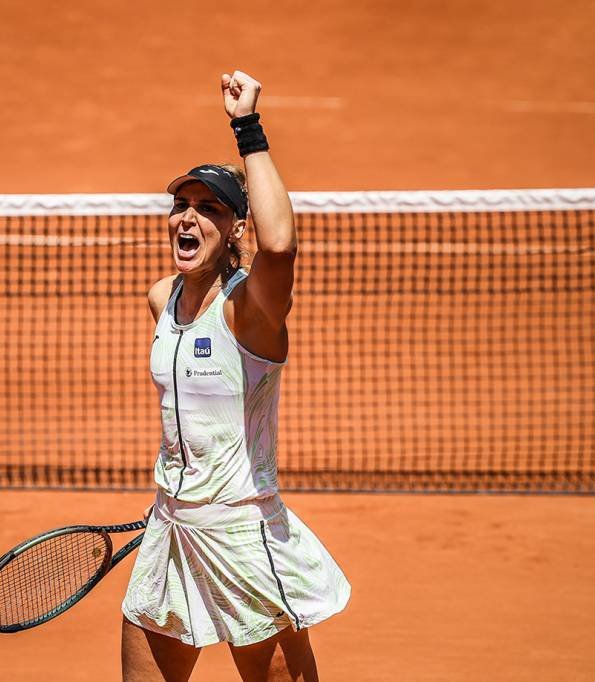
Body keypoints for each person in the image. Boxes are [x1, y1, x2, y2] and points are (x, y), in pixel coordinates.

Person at [120, 71, 351, 682]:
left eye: (210, 208)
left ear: (236, 229)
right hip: (172, 527)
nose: (187, 218)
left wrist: (247, 128)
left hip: (242, 537)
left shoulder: (248, 312)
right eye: (181, 205)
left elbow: (279, 250)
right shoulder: (161, 298)